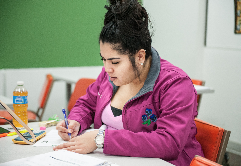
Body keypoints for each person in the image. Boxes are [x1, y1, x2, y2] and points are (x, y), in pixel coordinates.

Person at [53, 0, 204, 165]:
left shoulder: (175, 84)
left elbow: (168, 143)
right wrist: (75, 121)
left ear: (140, 56)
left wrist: (101, 139)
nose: (107, 68)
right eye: (103, 60)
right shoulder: (109, 74)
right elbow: (88, 104)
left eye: (115, 62)